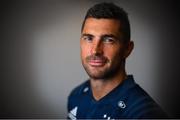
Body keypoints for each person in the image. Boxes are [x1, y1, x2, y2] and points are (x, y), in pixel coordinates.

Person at [67, 2, 168, 119]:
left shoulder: (143, 113)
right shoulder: (76, 96)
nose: (95, 50)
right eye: (89, 38)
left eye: (108, 40)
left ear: (127, 49)